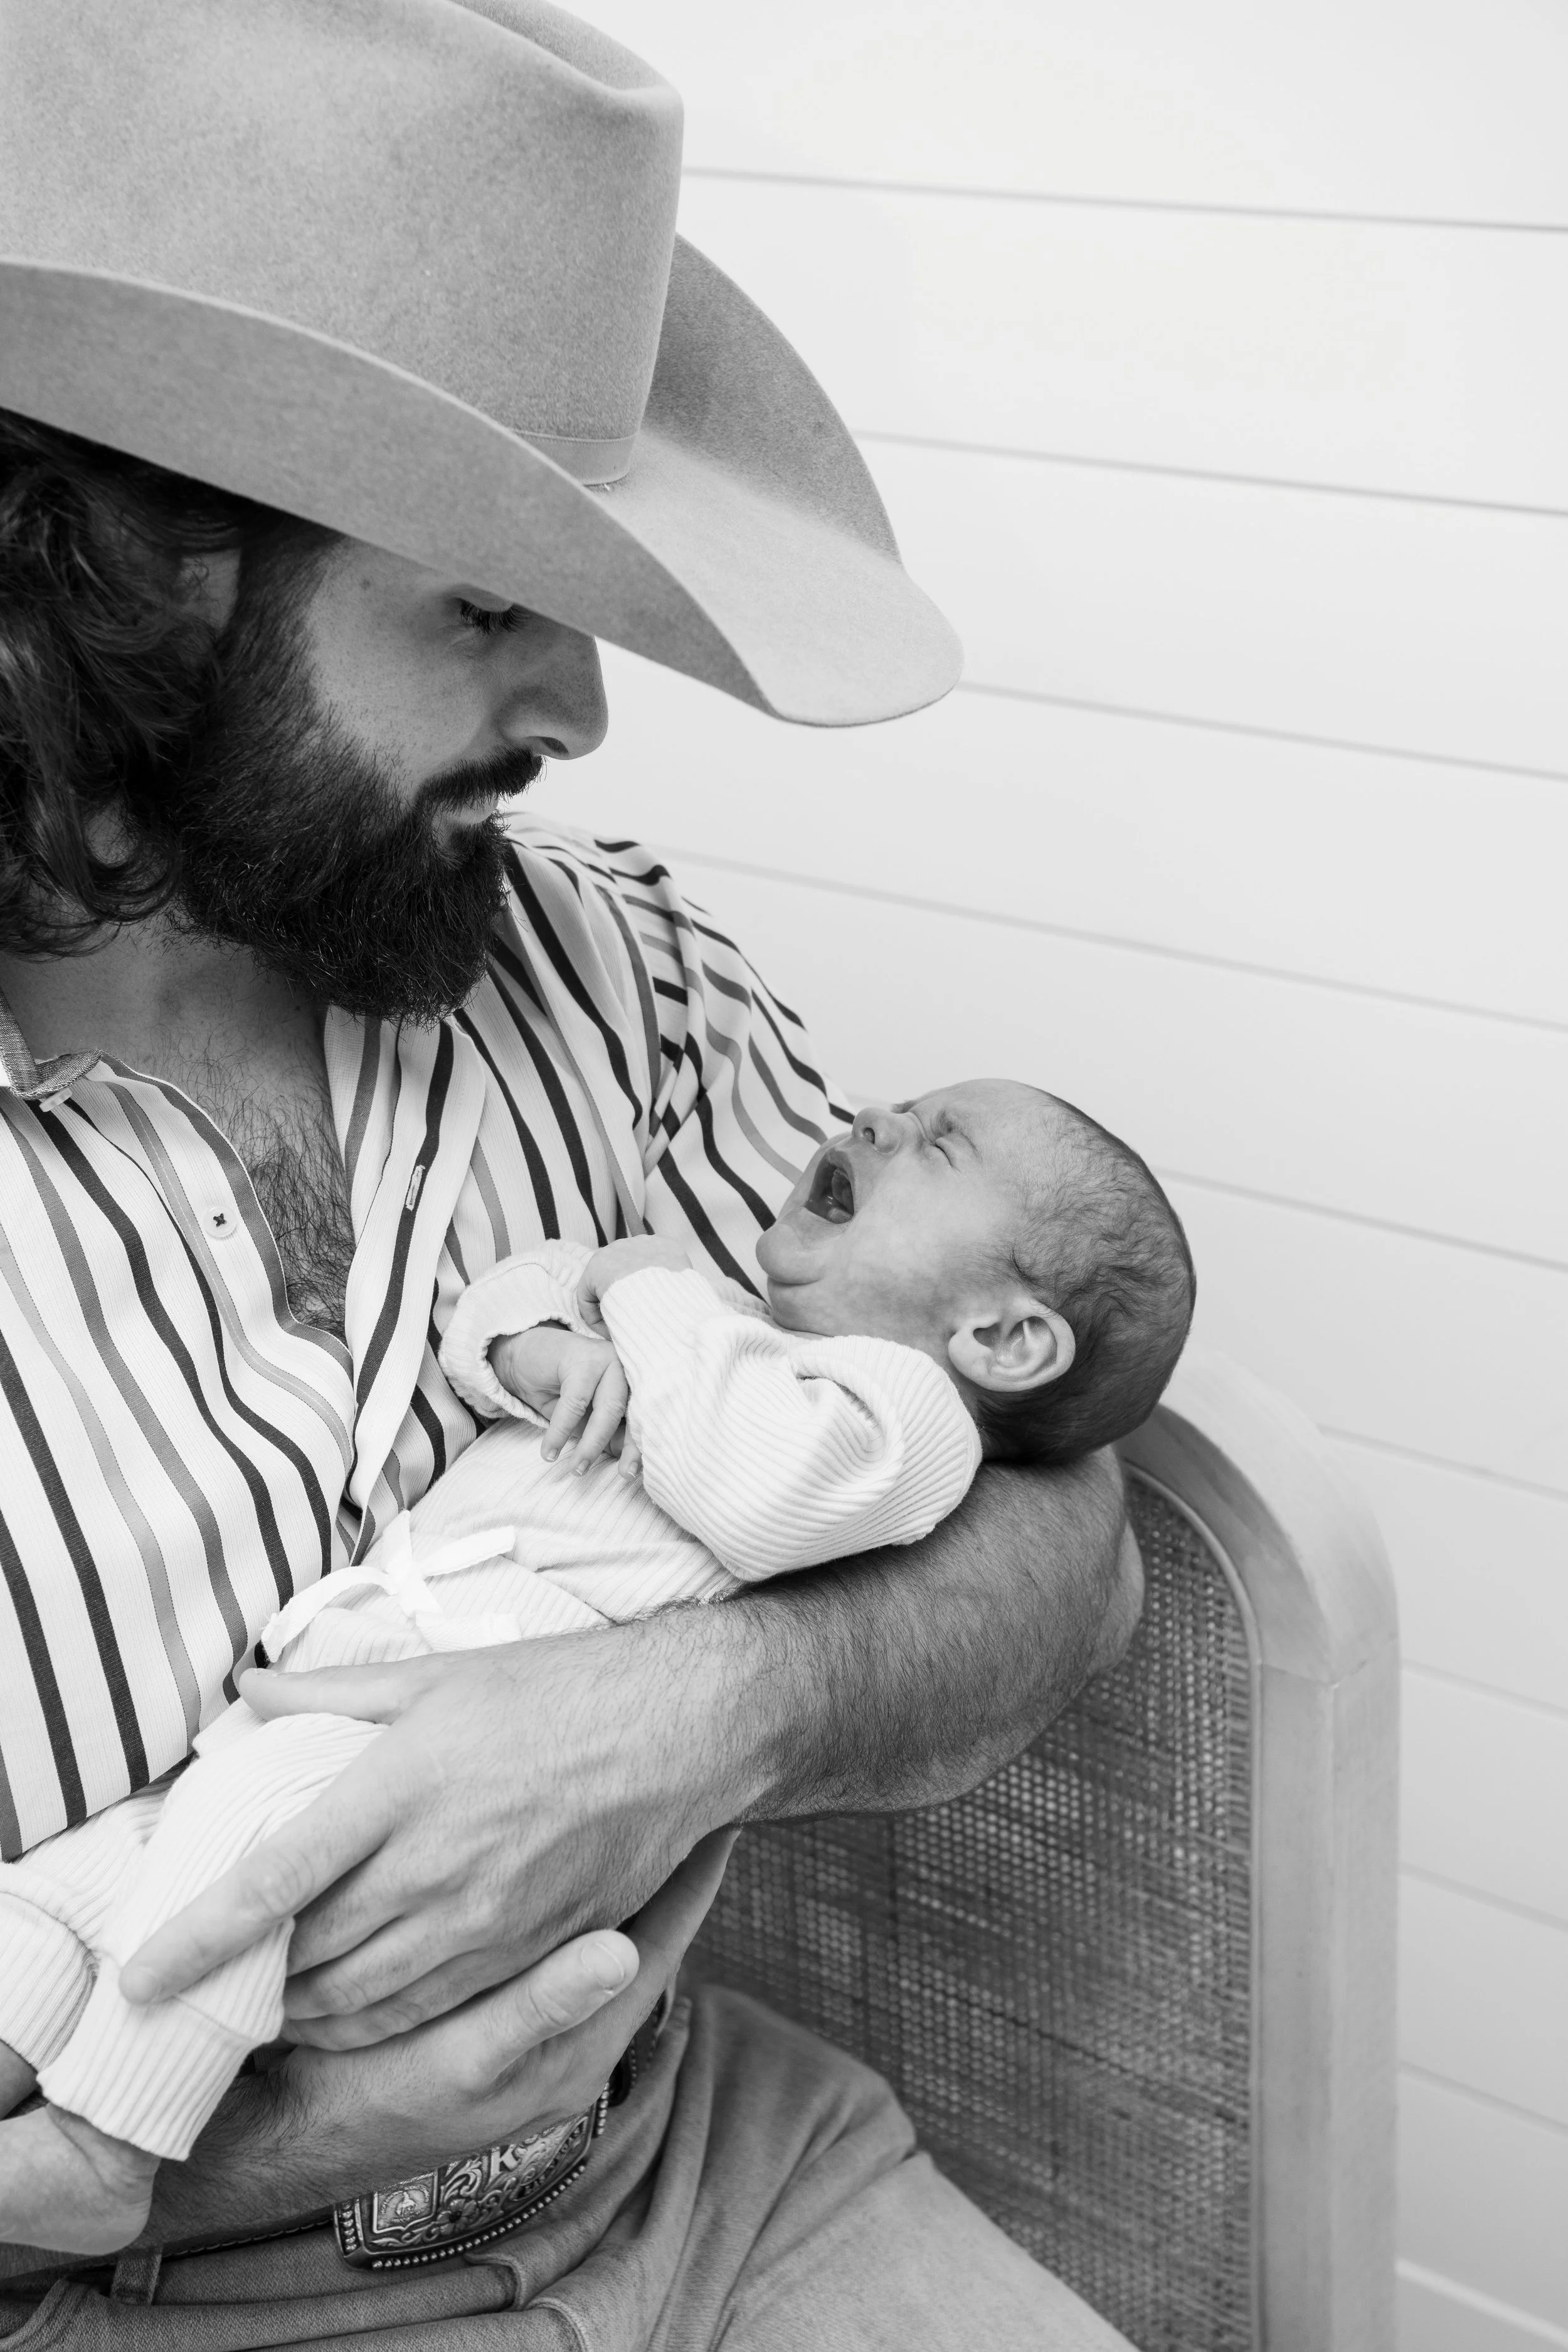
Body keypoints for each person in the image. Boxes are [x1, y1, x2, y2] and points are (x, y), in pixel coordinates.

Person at [0, 3, 1143, 2344]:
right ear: (153, 588)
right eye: (489, 604)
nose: (588, 717)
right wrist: (221, 2137)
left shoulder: (614, 964)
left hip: (724, 2180)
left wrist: (692, 1715)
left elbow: (1065, 1534)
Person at [0, 1086, 1194, 2255]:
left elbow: (754, 1487)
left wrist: (642, 1285)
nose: (876, 1115)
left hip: (433, 1734)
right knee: (65, 1893)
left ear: (1003, 1337)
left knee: (250, 1835)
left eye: (940, 1143)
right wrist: (534, 1343)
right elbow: (521, 1284)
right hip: (348, 1673)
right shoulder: (727, 1320)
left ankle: (113, 2145)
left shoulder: (898, 1418)